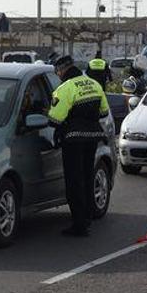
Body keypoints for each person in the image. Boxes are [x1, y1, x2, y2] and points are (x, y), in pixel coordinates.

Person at [47, 55, 110, 237]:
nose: (57, 75)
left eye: (57, 71)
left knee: (74, 182)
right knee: (87, 176)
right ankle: (88, 216)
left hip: (73, 139)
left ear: (61, 70)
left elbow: (55, 119)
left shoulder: (64, 88)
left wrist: (48, 112)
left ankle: (79, 224)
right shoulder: (94, 84)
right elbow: (104, 112)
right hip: (92, 138)